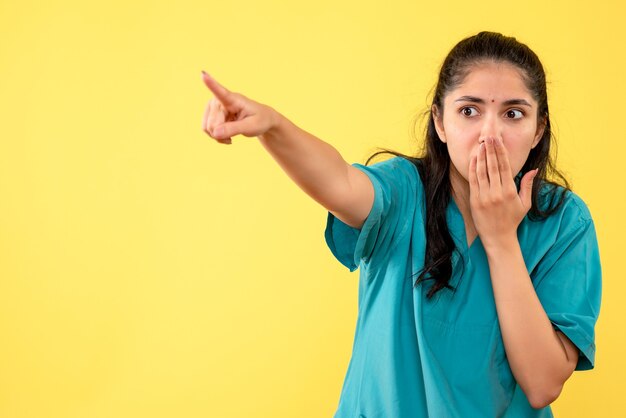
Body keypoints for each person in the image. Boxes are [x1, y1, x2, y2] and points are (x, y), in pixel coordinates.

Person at [200, 31, 602, 418]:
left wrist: (500, 239)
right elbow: (339, 182)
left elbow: (542, 383)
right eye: (469, 111)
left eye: (513, 114)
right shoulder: (404, 190)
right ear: (440, 123)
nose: (489, 135)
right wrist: (273, 126)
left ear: (538, 130)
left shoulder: (565, 222)